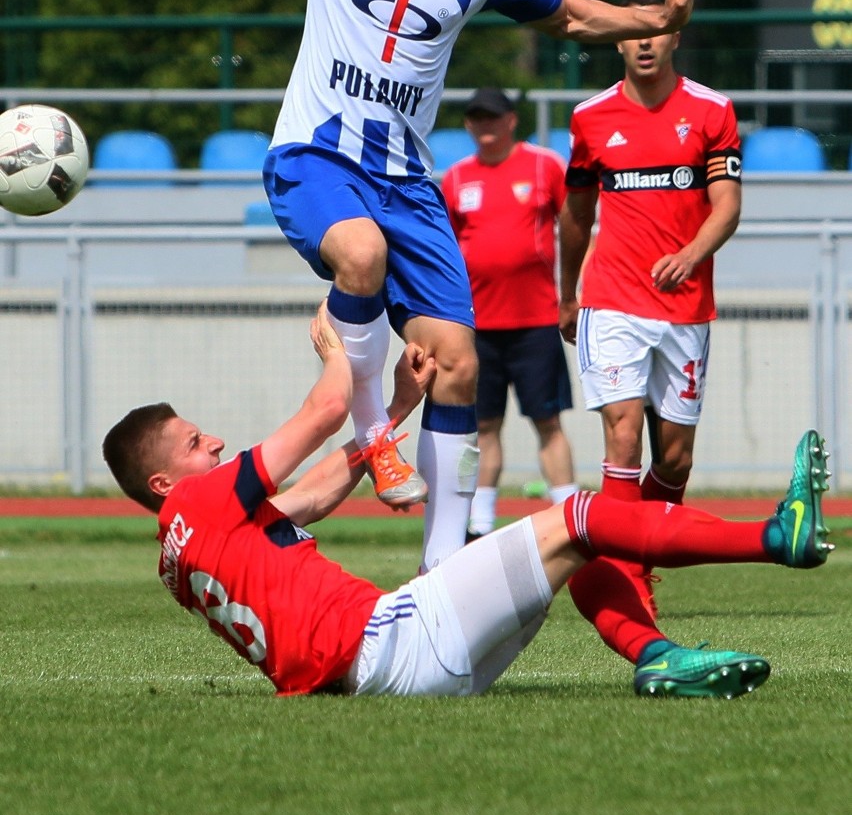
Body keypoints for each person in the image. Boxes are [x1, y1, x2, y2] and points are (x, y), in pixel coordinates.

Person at [201, 0, 708, 572]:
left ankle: (441, 575)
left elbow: (567, 14)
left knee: (459, 368)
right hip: (315, 155)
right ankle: (370, 428)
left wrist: (656, 21)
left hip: (406, 180)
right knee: (359, 257)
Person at [101, 302, 833, 700]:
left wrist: (396, 402)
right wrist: (338, 353)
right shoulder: (207, 502)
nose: (216, 443)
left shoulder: (184, 548)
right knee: (578, 515)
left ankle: (659, 656)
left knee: (580, 546)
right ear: (165, 482)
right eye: (197, 443)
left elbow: (311, 496)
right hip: (397, 641)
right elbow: (325, 412)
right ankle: (777, 537)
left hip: (390, 675)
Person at [559, 0, 742, 627]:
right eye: (633, 32)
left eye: (656, 31)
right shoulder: (588, 118)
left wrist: (691, 254)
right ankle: (625, 583)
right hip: (611, 302)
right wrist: (566, 293)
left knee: (676, 460)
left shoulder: (713, 111)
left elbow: (727, 205)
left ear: (674, 38)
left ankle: (623, 546)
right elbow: (575, 216)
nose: (644, 42)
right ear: (619, 42)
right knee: (622, 433)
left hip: (686, 307)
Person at [441, 87, 578, 536]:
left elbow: (577, 227)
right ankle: (480, 525)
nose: (485, 127)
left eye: (493, 118)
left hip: (536, 321)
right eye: (477, 118)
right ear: (467, 124)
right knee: (484, 427)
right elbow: (446, 249)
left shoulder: (543, 166)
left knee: (548, 422)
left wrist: (573, 296)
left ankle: (572, 519)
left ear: (511, 120)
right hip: (478, 325)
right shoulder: (458, 179)